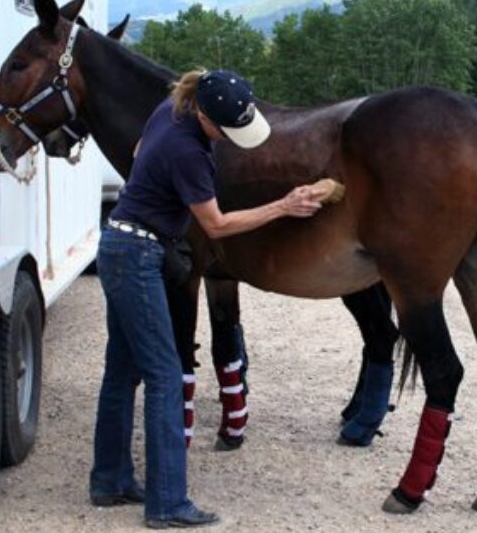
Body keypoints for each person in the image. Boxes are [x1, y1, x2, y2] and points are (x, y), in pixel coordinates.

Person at [89, 69, 321, 528]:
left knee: (122, 371)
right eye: (227, 130)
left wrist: (156, 198)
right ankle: (167, 502)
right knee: (164, 376)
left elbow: (138, 153)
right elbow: (216, 225)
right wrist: (283, 206)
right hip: (137, 254)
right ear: (206, 116)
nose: (232, 139)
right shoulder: (188, 151)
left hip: (119, 241)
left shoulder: (169, 110)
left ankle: (110, 480)